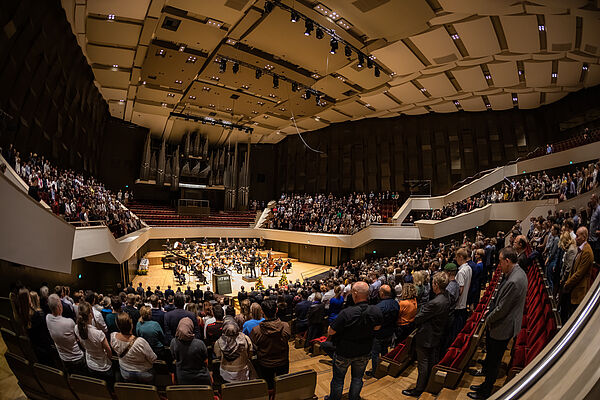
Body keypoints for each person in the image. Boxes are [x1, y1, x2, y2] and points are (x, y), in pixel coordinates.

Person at [468, 247, 527, 400]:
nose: (498, 265)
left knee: (494, 361)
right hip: (502, 322)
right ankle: (484, 385)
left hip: (503, 326)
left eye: (500, 261)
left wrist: (487, 319)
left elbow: (502, 309)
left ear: (507, 261)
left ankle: (485, 392)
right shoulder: (516, 272)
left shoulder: (514, 280)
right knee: (492, 358)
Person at [327, 282, 383, 400]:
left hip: (344, 352)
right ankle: (354, 398)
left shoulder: (346, 313)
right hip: (364, 351)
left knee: (338, 380)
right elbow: (377, 328)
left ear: (355, 294)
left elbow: (331, 332)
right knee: (357, 378)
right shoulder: (376, 310)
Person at [402, 272, 450, 398]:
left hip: (427, 336)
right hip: (437, 333)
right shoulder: (447, 296)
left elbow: (417, 319)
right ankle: (429, 384)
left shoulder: (434, 303)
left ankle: (419, 389)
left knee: (423, 363)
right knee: (431, 361)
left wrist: (420, 312)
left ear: (435, 285)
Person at [249, 299, 291, 389]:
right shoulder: (286, 326)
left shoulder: (256, 330)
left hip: (265, 363)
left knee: (268, 387)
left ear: (262, 312)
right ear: (276, 310)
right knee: (282, 386)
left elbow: (254, 345)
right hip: (283, 361)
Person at [110, 312, 157, 383]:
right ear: (131, 325)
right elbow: (153, 358)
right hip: (144, 373)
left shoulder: (113, 336)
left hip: (125, 372)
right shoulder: (140, 342)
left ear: (118, 325)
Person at [46, 294, 86, 374]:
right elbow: (79, 338)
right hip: (77, 358)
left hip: (63, 358)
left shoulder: (48, 318)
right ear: (59, 307)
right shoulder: (69, 322)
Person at [74, 302, 113, 383]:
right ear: (90, 315)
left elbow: (82, 345)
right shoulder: (98, 334)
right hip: (103, 367)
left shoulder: (76, 328)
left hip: (90, 365)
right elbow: (109, 352)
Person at [562, 227, 594, 319]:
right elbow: (573, 269)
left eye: (577, 236)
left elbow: (579, 273)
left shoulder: (587, 252)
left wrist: (567, 284)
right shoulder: (581, 249)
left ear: (584, 237)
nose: (575, 238)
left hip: (579, 291)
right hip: (574, 288)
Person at [170, 318, 212, 385]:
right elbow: (206, 361)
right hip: (201, 378)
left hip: (182, 378)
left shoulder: (174, 342)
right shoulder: (200, 344)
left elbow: (174, 357)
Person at [368, 285, 399, 376]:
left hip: (379, 334)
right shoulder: (396, 303)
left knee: (375, 353)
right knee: (385, 351)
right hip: (390, 332)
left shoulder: (379, 307)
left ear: (382, 293)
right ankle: (384, 369)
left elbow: (374, 322)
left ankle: (375, 372)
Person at [451, 248, 471, 341]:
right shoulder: (469, 268)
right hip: (464, 302)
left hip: (459, 305)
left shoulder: (461, 272)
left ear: (461, 257)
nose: (455, 259)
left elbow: (460, 289)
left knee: (456, 331)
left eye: (457, 257)